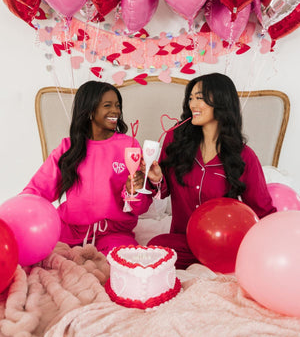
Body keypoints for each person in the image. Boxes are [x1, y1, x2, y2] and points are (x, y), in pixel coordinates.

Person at [146, 73, 276, 269]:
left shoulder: (243, 156)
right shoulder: (175, 140)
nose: (192, 104)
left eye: (200, 98)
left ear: (221, 101)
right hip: (184, 241)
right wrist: (156, 179)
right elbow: (163, 191)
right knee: (155, 247)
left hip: (225, 245)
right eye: (191, 98)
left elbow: (262, 210)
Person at [22, 81, 152, 255]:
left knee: (126, 264)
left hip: (114, 233)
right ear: (90, 110)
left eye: (118, 105)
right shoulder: (68, 147)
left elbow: (141, 207)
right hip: (69, 231)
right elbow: (39, 188)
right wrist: (18, 210)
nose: (116, 111)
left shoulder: (129, 146)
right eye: (108, 105)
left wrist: (134, 191)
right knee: (35, 255)